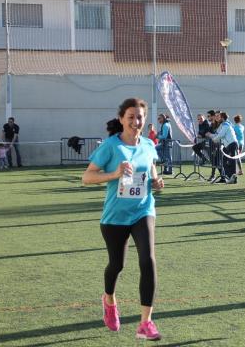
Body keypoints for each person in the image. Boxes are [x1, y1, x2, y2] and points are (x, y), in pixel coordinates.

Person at [82, 98, 164, 341]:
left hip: (143, 210)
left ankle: (145, 323)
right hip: (115, 217)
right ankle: (109, 300)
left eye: (139, 117)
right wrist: (114, 174)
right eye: (131, 117)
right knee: (116, 265)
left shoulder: (149, 145)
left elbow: (151, 172)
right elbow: (86, 177)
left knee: (148, 260)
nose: (135, 122)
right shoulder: (110, 146)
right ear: (121, 119)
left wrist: (157, 183)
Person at [207, 111, 238, 184]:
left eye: (219, 117)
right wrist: (211, 135)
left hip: (232, 144)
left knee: (231, 161)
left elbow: (220, 135)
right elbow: (216, 134)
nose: (217, 118)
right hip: (228, 145)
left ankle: (232, 178)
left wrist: (214, 139)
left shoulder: (226, 125)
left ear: (222, 118)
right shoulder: (223, 125)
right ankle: (229, 177)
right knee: (224, 161)